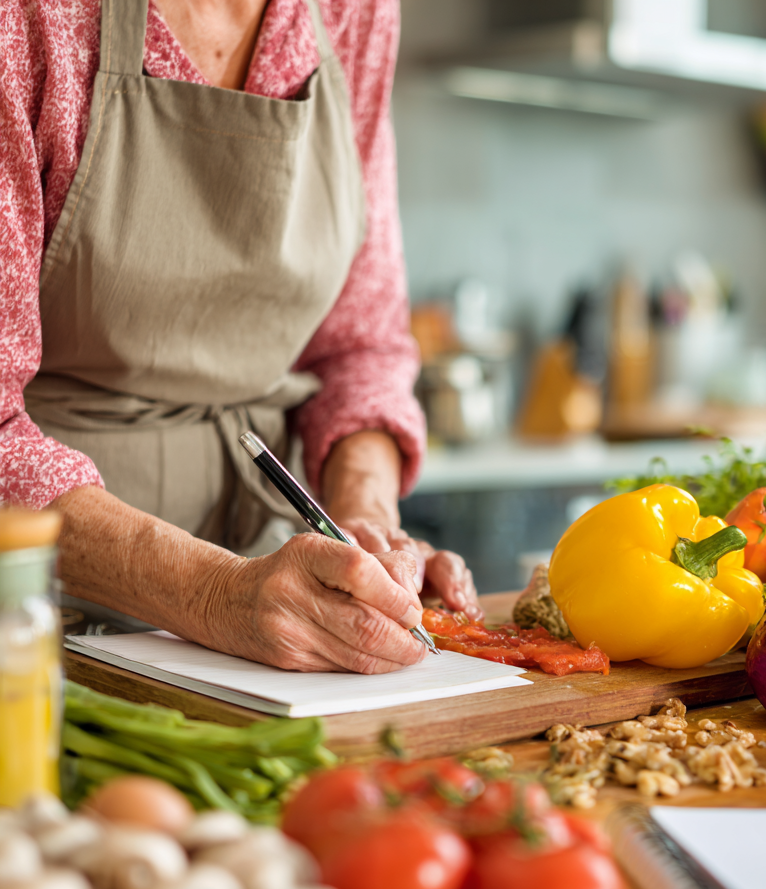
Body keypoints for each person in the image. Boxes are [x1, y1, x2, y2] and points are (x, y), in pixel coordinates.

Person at [0, 0, 480, 673]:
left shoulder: (356, 10)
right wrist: (211, 593)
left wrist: (364, 525)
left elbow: (359, 346)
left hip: (255, 620)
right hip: (24, 620)